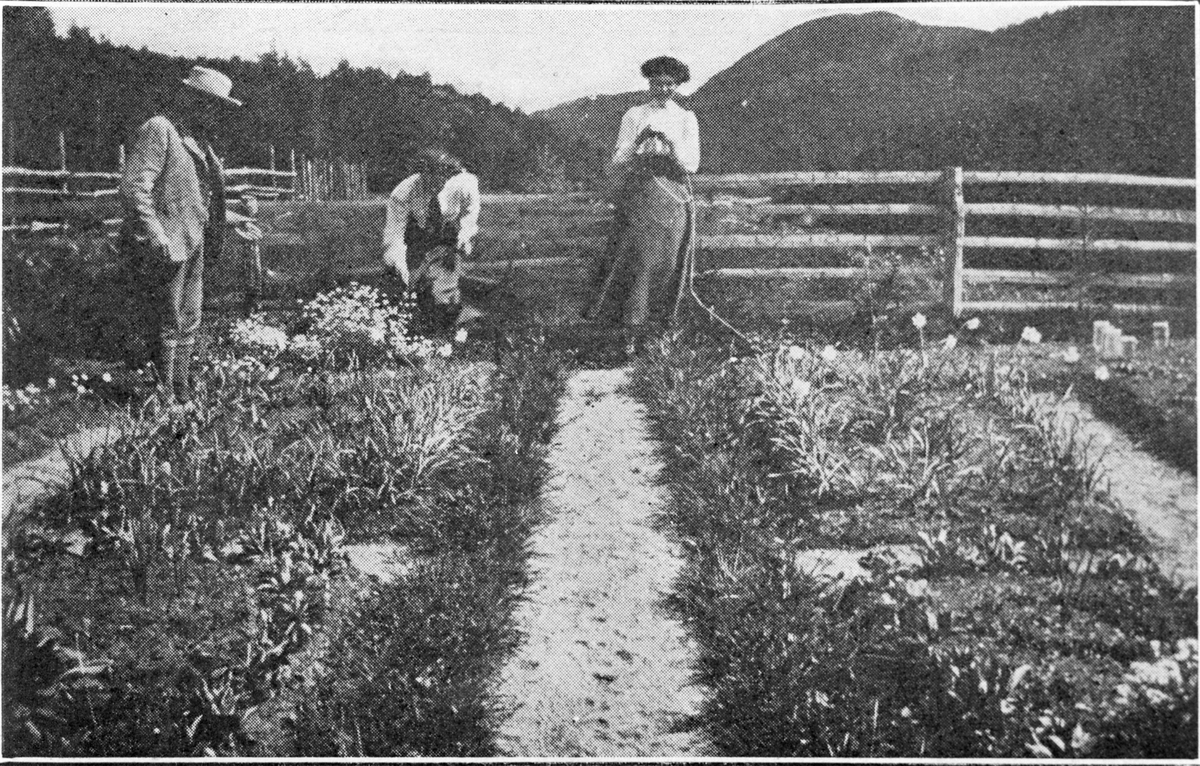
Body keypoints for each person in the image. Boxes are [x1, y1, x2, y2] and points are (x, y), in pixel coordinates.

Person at [119, 65, 242, 404]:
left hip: (194, 241)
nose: (213, 113)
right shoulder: (161, 130)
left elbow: (196, 200)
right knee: (167, 318)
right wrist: (156, 236)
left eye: (218, 107)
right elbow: (134, 188)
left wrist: (232, 219)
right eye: (207, 103)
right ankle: (163, 396)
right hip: (167, 243)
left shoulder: (202, 145)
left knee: (189, 318)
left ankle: (181, 392)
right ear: (190, 99)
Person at [586, 55, 700, 355]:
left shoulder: (686, 118)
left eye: (669, 84)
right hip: (640, 196)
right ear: (649, 83)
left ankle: (661, 333)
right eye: (657, 83)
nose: (662, 90)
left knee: (668, 265)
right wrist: (639, 142)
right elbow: (619, 158)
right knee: (637, 263)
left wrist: (672, 148)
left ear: (677, 86)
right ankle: (630, 333)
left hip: (672, 196)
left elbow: (693, 164)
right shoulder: (634, 114)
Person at [381, 148, 480, 336]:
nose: (438, 184)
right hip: (415, 239)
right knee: (408, 287)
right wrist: (399, 263)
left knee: (443, 291)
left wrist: (465, 234)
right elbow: (394, 235)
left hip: (446, 239)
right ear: (422, 173)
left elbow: (470, 211)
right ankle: (411, 331)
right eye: (432, 177)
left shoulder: (464, 183)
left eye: (444, 177)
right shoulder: (403, 193)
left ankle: (452, 332)